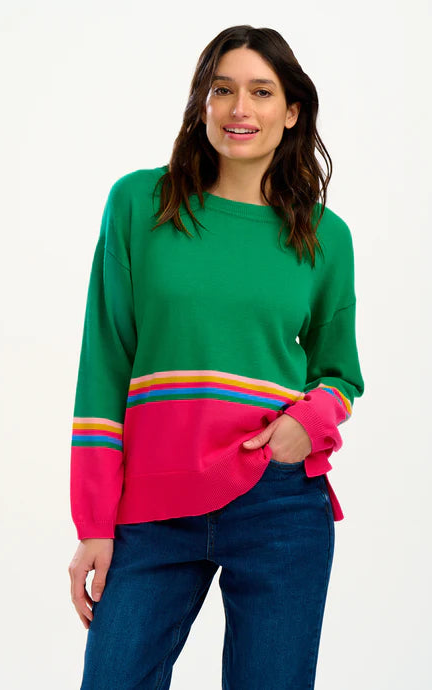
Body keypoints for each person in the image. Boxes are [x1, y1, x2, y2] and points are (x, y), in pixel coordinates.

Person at [68, 24, 365, 690]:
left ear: (292, 112)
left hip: (279, 502)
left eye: (262, 92)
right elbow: (105, 363)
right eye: (223, 89)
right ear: (201, 102)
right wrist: (94, 523)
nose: (239, 108)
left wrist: (305, 424)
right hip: (153, 502)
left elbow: (340, 374)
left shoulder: (325, 237)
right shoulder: (139, 205)